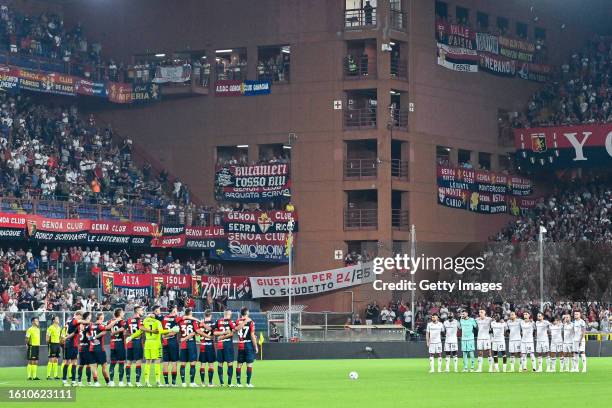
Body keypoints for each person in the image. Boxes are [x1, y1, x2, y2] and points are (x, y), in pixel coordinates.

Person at [127, 312, 175, 387]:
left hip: (147, 343)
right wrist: (171, 330)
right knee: (157, 361)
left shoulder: (145, 321)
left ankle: (146, 381)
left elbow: (139, 331)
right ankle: (158, 381)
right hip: (156, 343)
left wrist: (131, 337)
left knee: (148, 362)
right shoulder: (157, 322)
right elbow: (161, 331)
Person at [62, 311, 88, 386]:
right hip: (70, 344)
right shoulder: (74, 320)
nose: (81, 318)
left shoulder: (75, 323)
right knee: (67, 362)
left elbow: (75, 332)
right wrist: (87, 321)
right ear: (77, 315)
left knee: (74, 363)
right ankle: (64, 381)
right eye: (81, 316)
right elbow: (80, 322)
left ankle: (73, 381)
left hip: (74, 344)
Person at [235, 307, 257, 387]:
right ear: (247, 312)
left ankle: (238, 383)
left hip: (240, 344)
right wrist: (256, 346)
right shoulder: (251, 322)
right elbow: (252, 335)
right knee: (249, 364)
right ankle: (248, 383)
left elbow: (235, 330)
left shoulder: (237, 321)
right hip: (248, 345)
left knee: (239, 364)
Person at [214, 309, 237, 385]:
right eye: (230, 314)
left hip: (220, 344)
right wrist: (224, 335)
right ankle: (229, 383)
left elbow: (214, 332)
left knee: (220, 363)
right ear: (228, 314)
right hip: (228, 345)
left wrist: (221, 336)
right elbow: (232, 333)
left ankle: (221, 382)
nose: (230, 315)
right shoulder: (231, 322)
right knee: (230, 363)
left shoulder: (218, 321)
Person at [161, 304, 182, 386]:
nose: (177, 312)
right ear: (173, 311)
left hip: (165, 342)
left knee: (165, 363)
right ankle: (173, 383)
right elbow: (174, 331)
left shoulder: (163, 318)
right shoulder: (176, 319)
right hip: (172, 342)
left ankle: (166, 383)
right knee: (174, 363)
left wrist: (164, 336)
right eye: (176, 311)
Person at [179, 308, 200, 387]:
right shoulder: (193, 321)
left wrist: (183, 338)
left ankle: (183, 382)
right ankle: (192, 382)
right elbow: (196, 332)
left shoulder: (180, 321)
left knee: (183, 364)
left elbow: (178, 331)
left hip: (183, 344)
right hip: (191, 343)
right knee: (193, 363)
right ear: (190, 313)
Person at [88, 313, 111, 386]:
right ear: (100, 318)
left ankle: (96, 382)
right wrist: (95, 337)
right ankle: (108, 382)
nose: (103, 318)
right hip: (100, 349)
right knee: (104, 366)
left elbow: (86, 332)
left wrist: (90, 337)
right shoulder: (100, 326)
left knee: (94, 366)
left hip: (91, 348)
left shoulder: (90, 325)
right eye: (103, 317)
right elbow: (104, 331)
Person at [107, 308, 127, 386]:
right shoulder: (122, 322)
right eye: (122, 312)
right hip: (120, 344)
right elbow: (123, 329)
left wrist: (113, 332)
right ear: (119, 314)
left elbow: (108, 329)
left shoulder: (110, 321)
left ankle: (111, 381)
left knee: (113, 363)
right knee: (121, 363)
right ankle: (121, 382)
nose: (124, 313)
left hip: (112, 344)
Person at [126, 306, 144, 386]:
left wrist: (130, 335)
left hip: (130, 342)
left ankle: (129, 382)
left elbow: (124, 332)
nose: (143, 312)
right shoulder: (140, 320)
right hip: (137, 341)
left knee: (129, 361)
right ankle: (137, 382)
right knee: (138, 361)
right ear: (137, 311)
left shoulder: (128, 320)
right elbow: (141, 330)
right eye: (141, 310)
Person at [197, 310, 216, 387]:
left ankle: (202, 382)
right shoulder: (213, 323)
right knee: (211, 364)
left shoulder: (200, 323)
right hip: (210, 345)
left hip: (202, 345)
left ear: (204, 315)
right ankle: (210, 383)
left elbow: (197, 334)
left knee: (202, 364)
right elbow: (213, 332)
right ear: (210, 315)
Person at [46, 315, 62, 380]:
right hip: (52, 344)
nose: (58, 320)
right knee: (51, 359)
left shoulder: (59, 327)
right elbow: (47, 337)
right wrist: (49, 343)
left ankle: (55, 376)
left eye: (58, 318)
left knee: (56, 360)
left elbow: (60, 337)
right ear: (53, 320)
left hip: (57, 344)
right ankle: (48, 376)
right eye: (57, 319)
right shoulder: (50, 328)